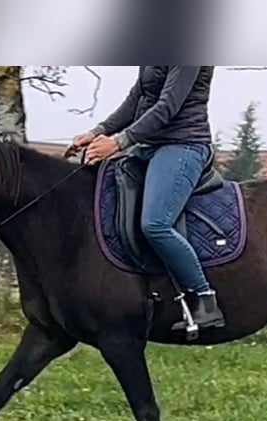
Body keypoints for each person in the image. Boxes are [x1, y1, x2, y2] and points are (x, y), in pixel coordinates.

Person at [66, 66, 225, 332]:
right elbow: (137, 97)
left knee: (156, 224)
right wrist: (97, 132)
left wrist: (118, 142)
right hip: (148, 146)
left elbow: (168, 106)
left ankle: (205, 302)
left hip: (184, 145)